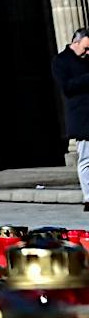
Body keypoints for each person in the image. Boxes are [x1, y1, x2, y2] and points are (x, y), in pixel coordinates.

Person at [54, 30, 89, 211]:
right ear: (76, 43)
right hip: (82, 117)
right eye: (86, 48)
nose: (88, 52)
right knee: (86, 159)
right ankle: (88, 196)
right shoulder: (61, 61)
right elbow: (67, 87)